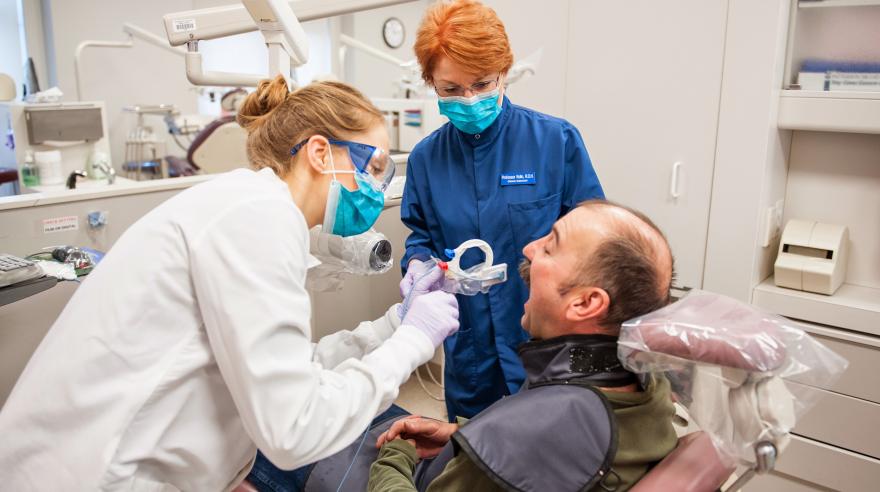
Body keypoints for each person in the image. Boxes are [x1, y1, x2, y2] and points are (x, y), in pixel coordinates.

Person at [0, 76, 459, 491]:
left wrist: (395, 324)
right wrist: (415, 341)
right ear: (320, 153)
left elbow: (289, 369)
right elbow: (295, 429)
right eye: (374, 168)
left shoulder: (248, 205)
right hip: (90, 473)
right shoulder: (258, 219)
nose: (379, 190)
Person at [369, 200, 678, 491]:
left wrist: (396, 456)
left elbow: (528, 444)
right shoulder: (647, 384)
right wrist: (462, 435)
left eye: (550, 246)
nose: (530, 248)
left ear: (585, 302)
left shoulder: (529, 436)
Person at [401, 0, 605, 419]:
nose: (470, 99)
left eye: (482, 83)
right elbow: (420, 235)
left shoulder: (556, 142)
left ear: (505, 72)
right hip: (470, 350)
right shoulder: (426, 159)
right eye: (451, 90)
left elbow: (595, 241)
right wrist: (419, 265)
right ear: (431, 84)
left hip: (544, 344)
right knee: (471, 453)